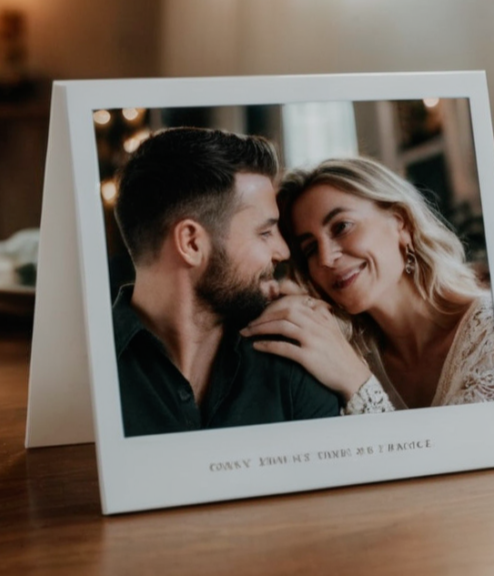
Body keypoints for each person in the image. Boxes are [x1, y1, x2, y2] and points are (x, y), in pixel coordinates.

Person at [111, 127, 364, 438]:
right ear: (191, 243)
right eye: (265, 232)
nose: (283, 252)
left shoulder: (296, 355)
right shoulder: (86, 377)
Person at [241, 156, 494, 414]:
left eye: (341, 227)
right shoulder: (339, 346)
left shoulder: (493, 333)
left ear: (401, 223)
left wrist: (357, 384)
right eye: (310, 248)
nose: (326, 258)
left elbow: (462, 454)